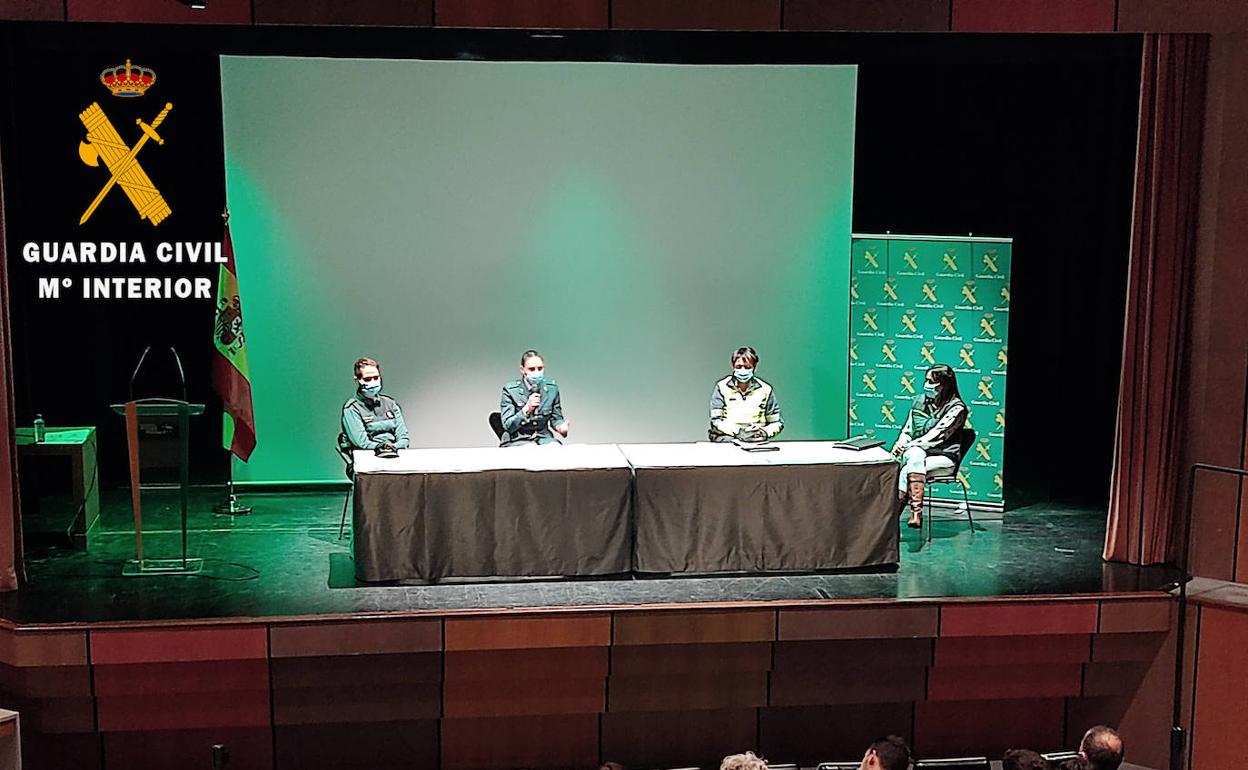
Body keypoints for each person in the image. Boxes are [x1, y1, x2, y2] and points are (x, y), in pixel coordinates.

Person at [890, 363, 968, 528]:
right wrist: (900, 444)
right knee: (916, 455)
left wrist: (909, 446)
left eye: (932, 382)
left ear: (945, 384)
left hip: (944, 457)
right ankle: (915, 513)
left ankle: (891, 519)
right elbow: (908, 429)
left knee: (907, 469)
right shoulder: (919, 401)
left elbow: (937, 435)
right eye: (926, 381)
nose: (927, 385)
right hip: (917, 453)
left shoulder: (957, 408)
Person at [708, 346, 783, 442]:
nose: (742, 370)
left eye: (747, 367)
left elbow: (776, 423)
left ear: (754, 367)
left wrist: (763, 432)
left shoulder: (765, 390)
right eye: (738, 367)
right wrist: (739, 432)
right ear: (733, 366)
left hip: (755, 440)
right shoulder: (722, 387)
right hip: (727, 440)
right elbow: (716, 421)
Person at [499, 349, 569, 446]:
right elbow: (508, 425)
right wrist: (526, 409)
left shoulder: (551, 389)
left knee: (555, 450)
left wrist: (560, 427)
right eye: (532, 369)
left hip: (543, 438)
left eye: (540, 368)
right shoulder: (511, 390)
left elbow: (556, 418)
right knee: (531, 453)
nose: (537, 372)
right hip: (518, 439)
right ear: (522, 370)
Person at [341, 357, 410, 456]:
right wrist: (382, 448)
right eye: (367, 379)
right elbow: (362, 443)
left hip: (396, 455)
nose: (373, 381)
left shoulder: (390, 404)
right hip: (369, 458)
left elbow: (404, 437)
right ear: (357, 381)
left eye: (376, 377)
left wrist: (393, 448)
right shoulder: (352, 409)